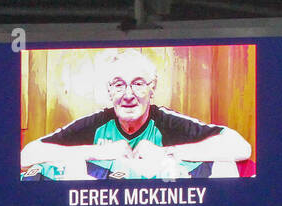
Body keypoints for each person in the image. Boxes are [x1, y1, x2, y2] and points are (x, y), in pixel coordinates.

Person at [19, 48, 251, 180]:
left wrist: (165, 152)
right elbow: (27, 155)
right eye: (119, 85)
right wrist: (100, 151)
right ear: (109, 91)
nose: (128, 95)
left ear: (152, 89)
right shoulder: (96, 123)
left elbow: (241, 148)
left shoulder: (167, 122)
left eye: (138, 84)